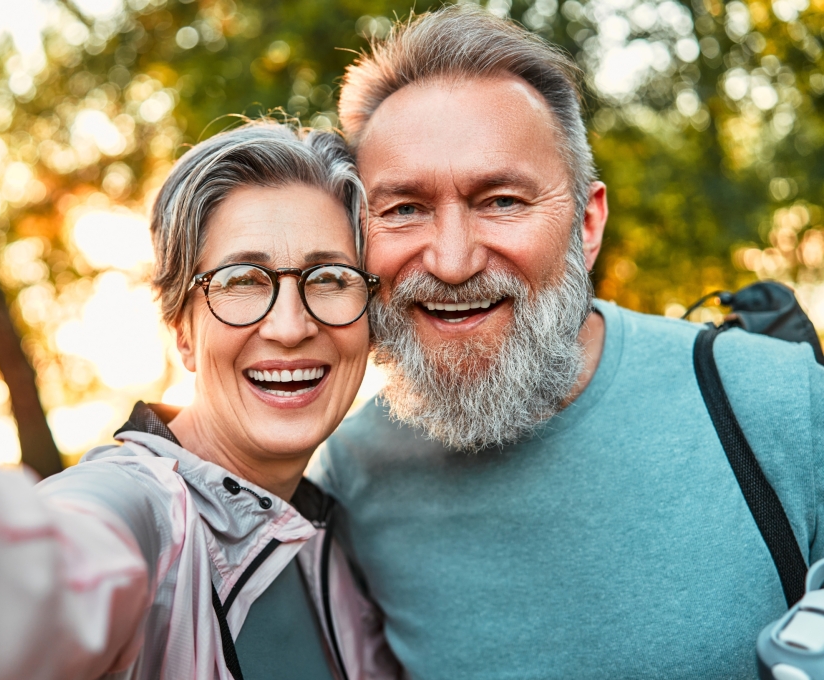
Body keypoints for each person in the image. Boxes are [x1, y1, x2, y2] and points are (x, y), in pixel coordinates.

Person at [0, 122, 401, 680]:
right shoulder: (142, 511)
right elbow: (55, 567)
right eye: (240, 281)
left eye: (331, 278)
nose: (290, 327)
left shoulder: (339, 541)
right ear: (183, 329)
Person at [310, 5, 824, 679]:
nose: (453, 261)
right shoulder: (350, 476)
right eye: (404, 208)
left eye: (501, 201)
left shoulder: (782, 403)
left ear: (586, 222)